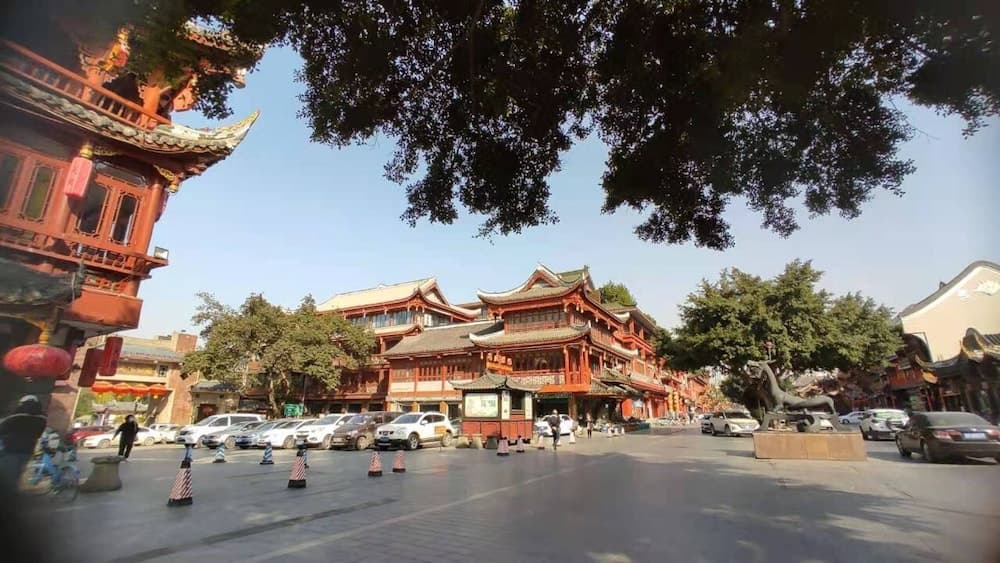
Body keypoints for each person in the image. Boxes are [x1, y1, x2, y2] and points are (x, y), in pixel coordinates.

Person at [0, 395, 47, 493]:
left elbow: (2, 430)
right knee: (16, 475)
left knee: (7, 475)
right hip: (27, 450)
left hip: (10, 448)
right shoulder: (42, 419)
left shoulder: (15, 416)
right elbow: (38, 434)